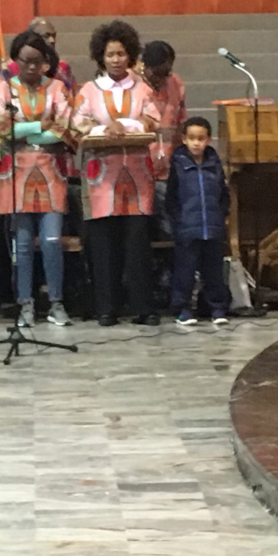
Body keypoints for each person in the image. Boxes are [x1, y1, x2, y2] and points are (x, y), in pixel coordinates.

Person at [73, 20, 161, 327]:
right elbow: (78, 123)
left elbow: (153, 121)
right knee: (103, 245)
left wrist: (126, 126)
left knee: (137, 244)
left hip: (137, 176)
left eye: (121, 54)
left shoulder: (143, 89)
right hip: (101, 178)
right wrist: (103, 129)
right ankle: (106, 308)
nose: (115, 60)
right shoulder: (89, 90)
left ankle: (143, 307)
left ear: (130, 55)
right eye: (110, 54)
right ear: (101, 56)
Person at [0, 31, 75, 328]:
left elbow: (63, 129)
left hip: (51, 170)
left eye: (38, 61)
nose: (32, 67)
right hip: (15, 173)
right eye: (25, 61)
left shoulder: (58, 88)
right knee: (22, 243)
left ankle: (56, 302)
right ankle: (25, 303)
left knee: (51, 240)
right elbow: (2, 130)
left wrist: (26, 131)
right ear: (16, 61)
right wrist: (40, 125)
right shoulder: (2, 90)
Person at [166, 117, 230, 326]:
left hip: (212, 226)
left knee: (213, 271)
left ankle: (217, 308)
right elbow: (171, 197)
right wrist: (178, 221)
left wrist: (220, 216)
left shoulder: (214, 164)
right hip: (187, 227)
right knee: (185, 270)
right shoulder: (178, 164)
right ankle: (182, 309)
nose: (196, 143)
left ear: (208, 140)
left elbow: (223, 194)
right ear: (184, 139)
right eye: (192, 138)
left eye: (201, 139)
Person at [142, 40, 187, 238]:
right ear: (146, 66)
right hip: (139, 171)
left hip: (167, 170)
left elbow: (181, 123)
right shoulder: (132, 86)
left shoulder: (175, 83)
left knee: (171, 229)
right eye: (158, 73)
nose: (163, 79)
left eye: (167, 72)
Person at [4, 17, 77, 94]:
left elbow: (71, 93)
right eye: (46, 36)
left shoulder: (62, 66)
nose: (52, 40)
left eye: (53, 36)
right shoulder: (12, 66)